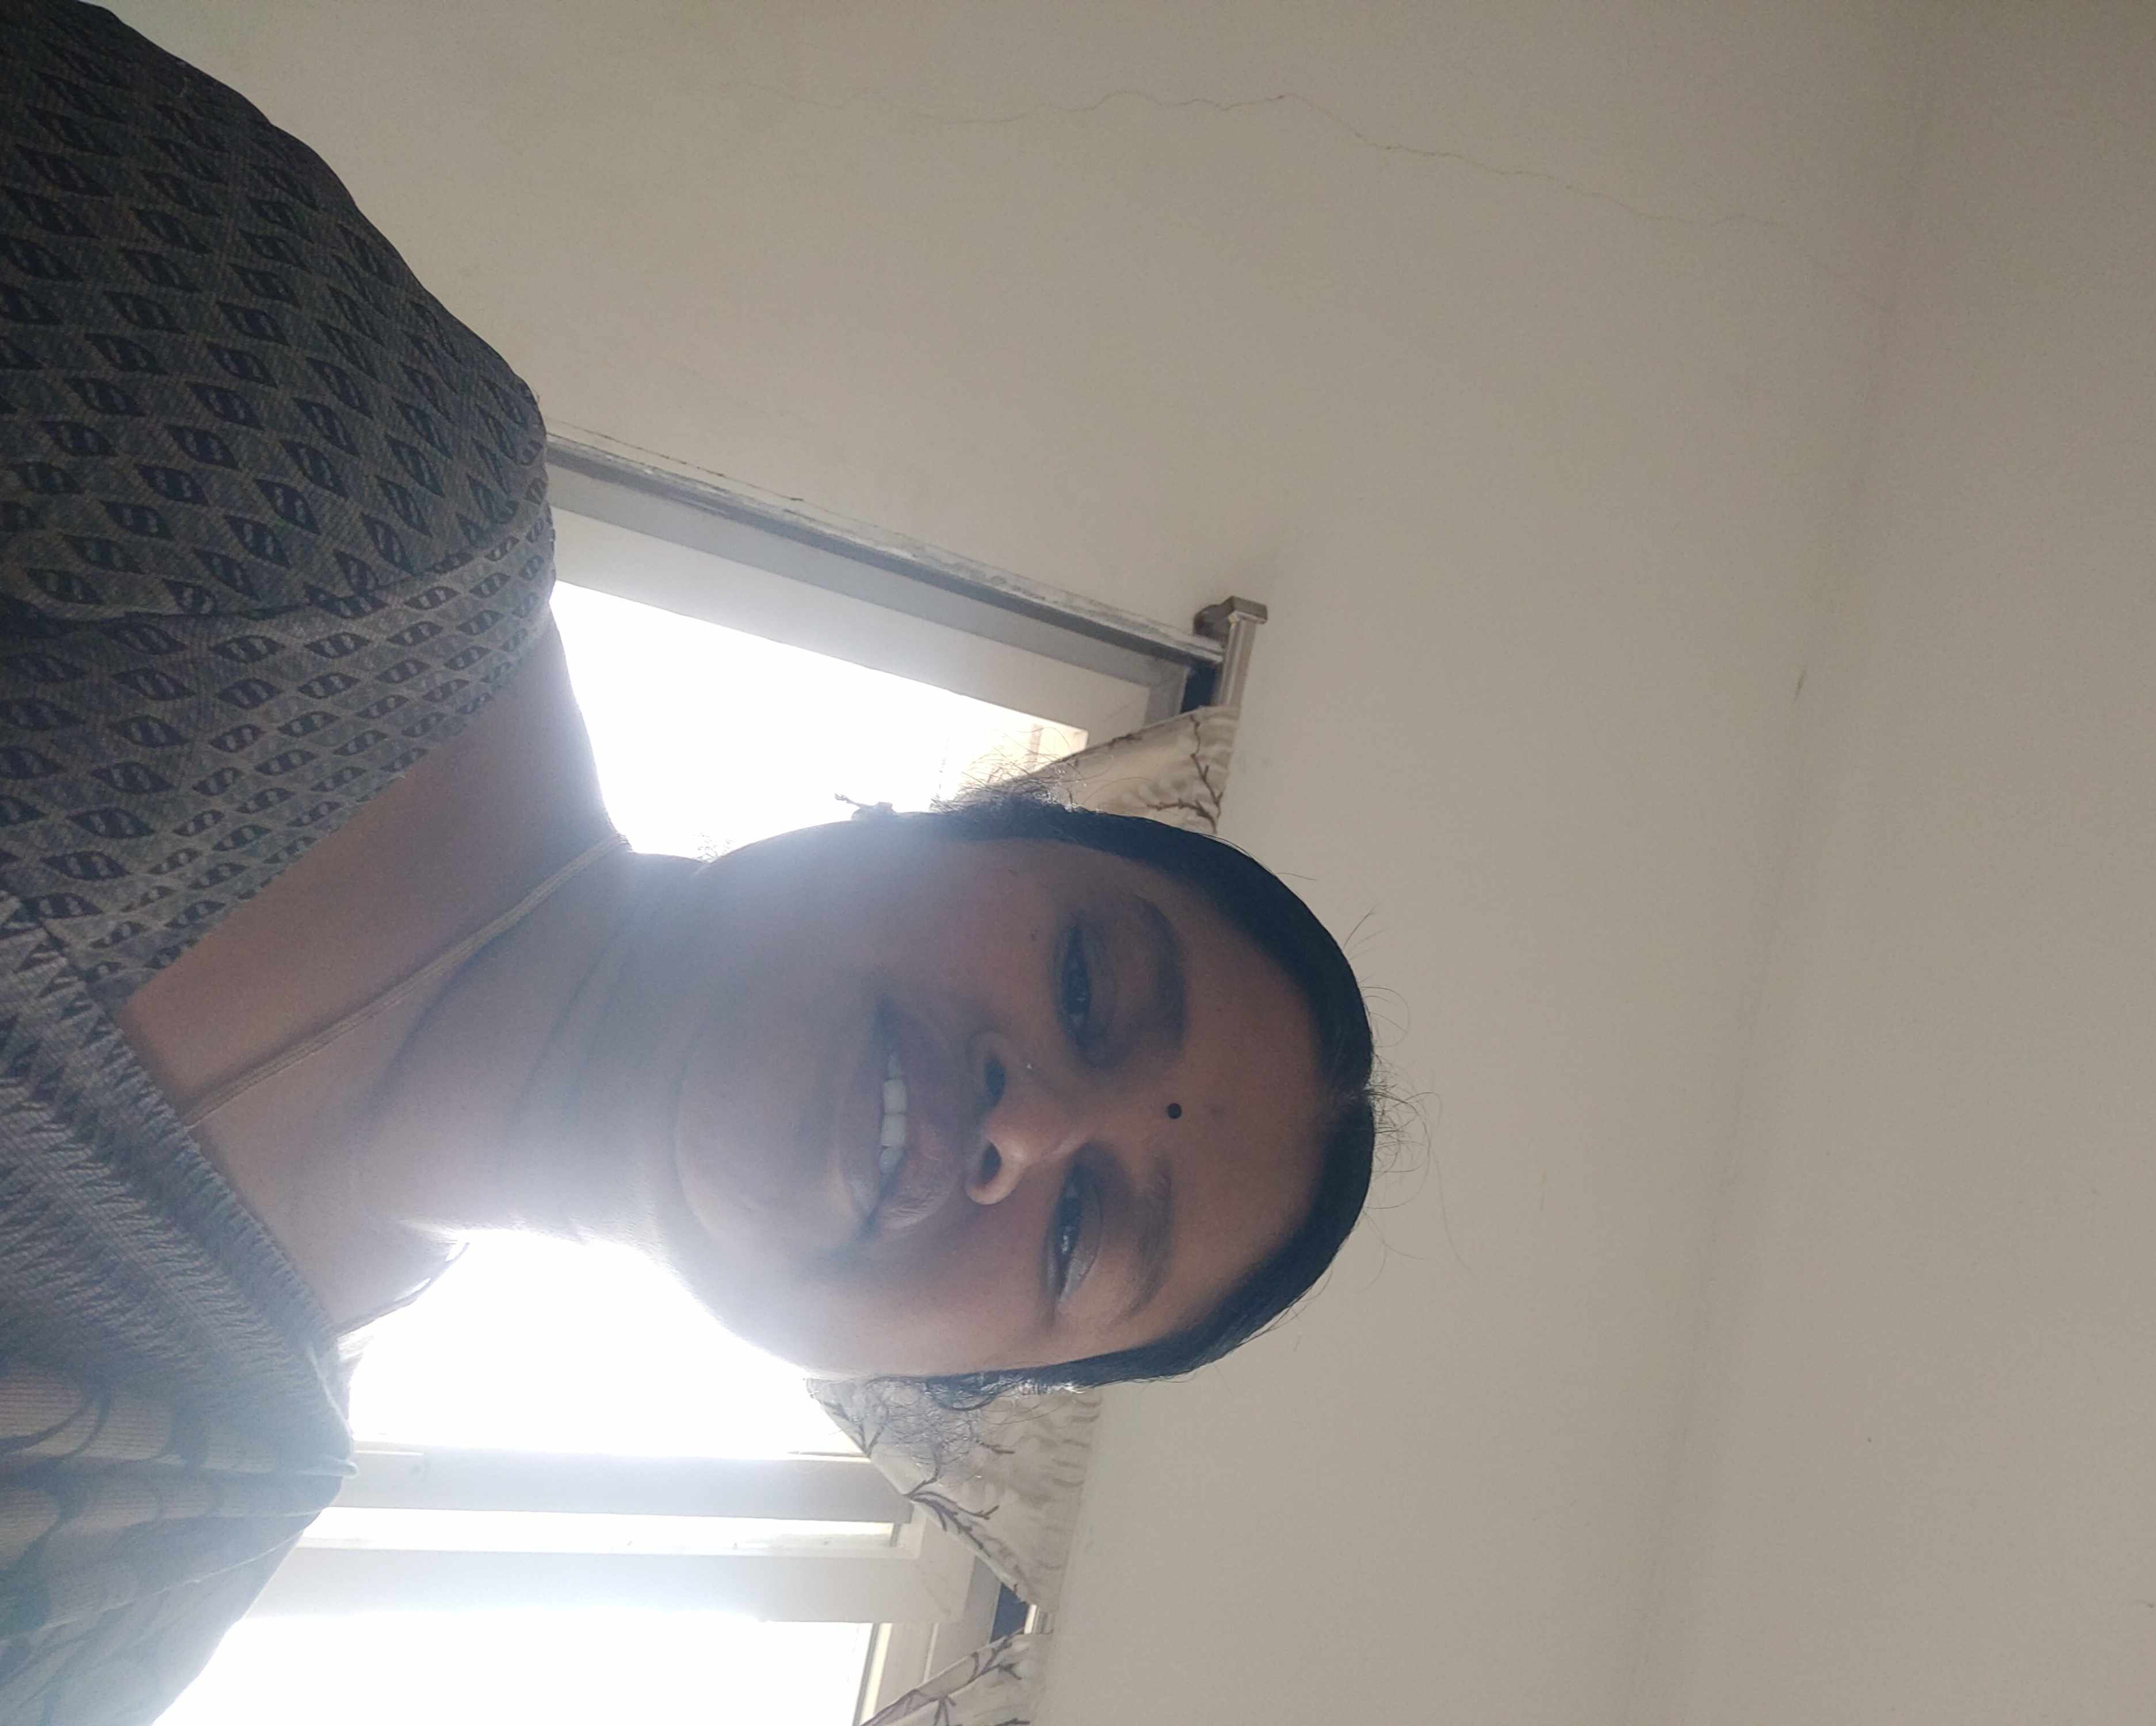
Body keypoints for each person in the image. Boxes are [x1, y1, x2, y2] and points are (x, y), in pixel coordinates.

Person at [0, 1, 1378, 1719]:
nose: (1022, 1130)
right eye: (1090, 985)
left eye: (1083, 1232)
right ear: (938, 826)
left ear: (925, 1382)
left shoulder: (148, 1519)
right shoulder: (346, 488)